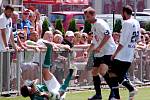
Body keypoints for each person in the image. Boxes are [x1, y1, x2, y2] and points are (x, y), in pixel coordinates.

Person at [84, 7, 118, 100]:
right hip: (100, 52)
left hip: (108, 51)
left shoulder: (100, 23)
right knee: (94, 72)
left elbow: (107, 35)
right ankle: (98, 95)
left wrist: (99, 47)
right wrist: (87, 51)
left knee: (102, 71)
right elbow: (94, 41)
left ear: (93, 15)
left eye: (88, 16)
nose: (86, 19)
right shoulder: (94, 25)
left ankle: (114, 92)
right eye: (85, 17)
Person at [111, 5, 141, 100]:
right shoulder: (136, 22)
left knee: (115, 74)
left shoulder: (126, 23)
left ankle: (131, 89)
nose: (121, 15)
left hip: (122, 55)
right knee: (118, 75)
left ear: (124, 12)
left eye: (121, 12)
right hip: (130, 54)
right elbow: (138, 39)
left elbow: (122, 42)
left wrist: (115, 54)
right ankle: (117, 96)